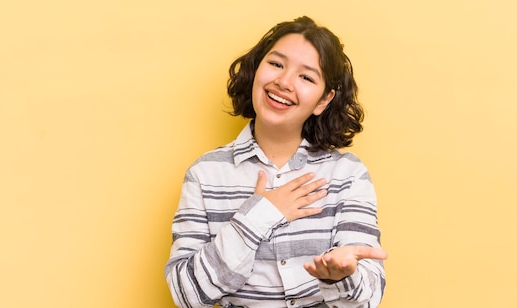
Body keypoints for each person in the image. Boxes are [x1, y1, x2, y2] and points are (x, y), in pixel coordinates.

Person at [165, 16, 387, 308]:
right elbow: (186, 295)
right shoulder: (205, 175)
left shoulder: (348, 174)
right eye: (276, 64)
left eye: (306, 77)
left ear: (323, 100)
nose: (283, 82)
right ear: (257, 69)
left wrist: (340, 277)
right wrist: (257, 217)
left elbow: (368, 297)